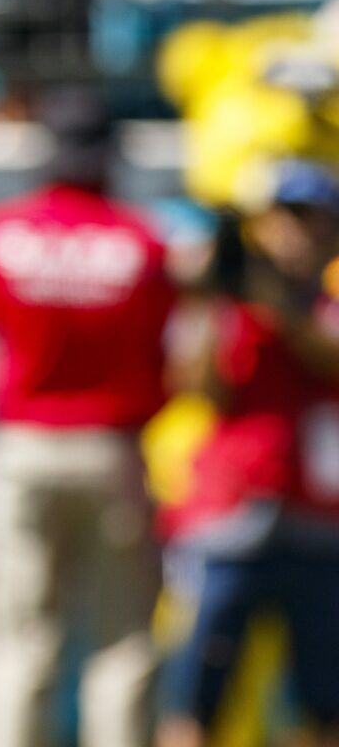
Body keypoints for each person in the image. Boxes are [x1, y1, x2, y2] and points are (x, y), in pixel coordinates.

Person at [0, 89, 175, 747]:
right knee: (123, 647)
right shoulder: (144, 239)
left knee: (16, 645)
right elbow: (161, 343)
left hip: (20, 450)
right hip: (112, 451)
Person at [158, 160, 339, 747]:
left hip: (318, 525)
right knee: (197, 704)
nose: (299, 236)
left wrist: (277, 302)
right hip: (232, 521)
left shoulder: (323, 306)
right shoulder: (231, 308)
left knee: (324, 709)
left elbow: (326, 356)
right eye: (286, 220)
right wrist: (211, 293)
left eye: (314, 222)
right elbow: (200, 387)